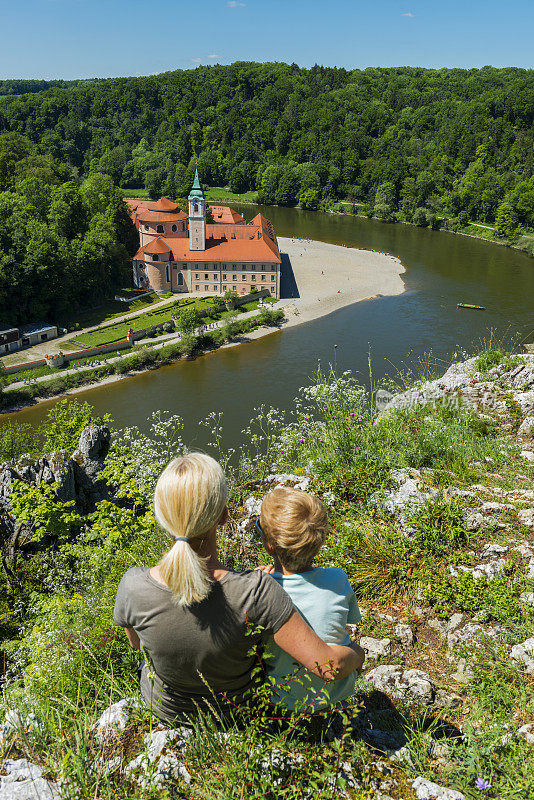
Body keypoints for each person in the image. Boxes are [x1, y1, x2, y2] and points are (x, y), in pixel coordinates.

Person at [113, 454, 363, 725]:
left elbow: (138, 645)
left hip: (166, 712)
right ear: (223, 515)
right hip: (236, 716)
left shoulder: (132, 585)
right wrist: (358, 653)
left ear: (163, 517)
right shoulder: (256, 592)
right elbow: (328, 665)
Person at [257, 488, 362, 711]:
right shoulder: (337, 579)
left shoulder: (262, 591)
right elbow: (348, 623)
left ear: (269, 545)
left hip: (283, 703)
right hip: (338, 698)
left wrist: (254, 583)